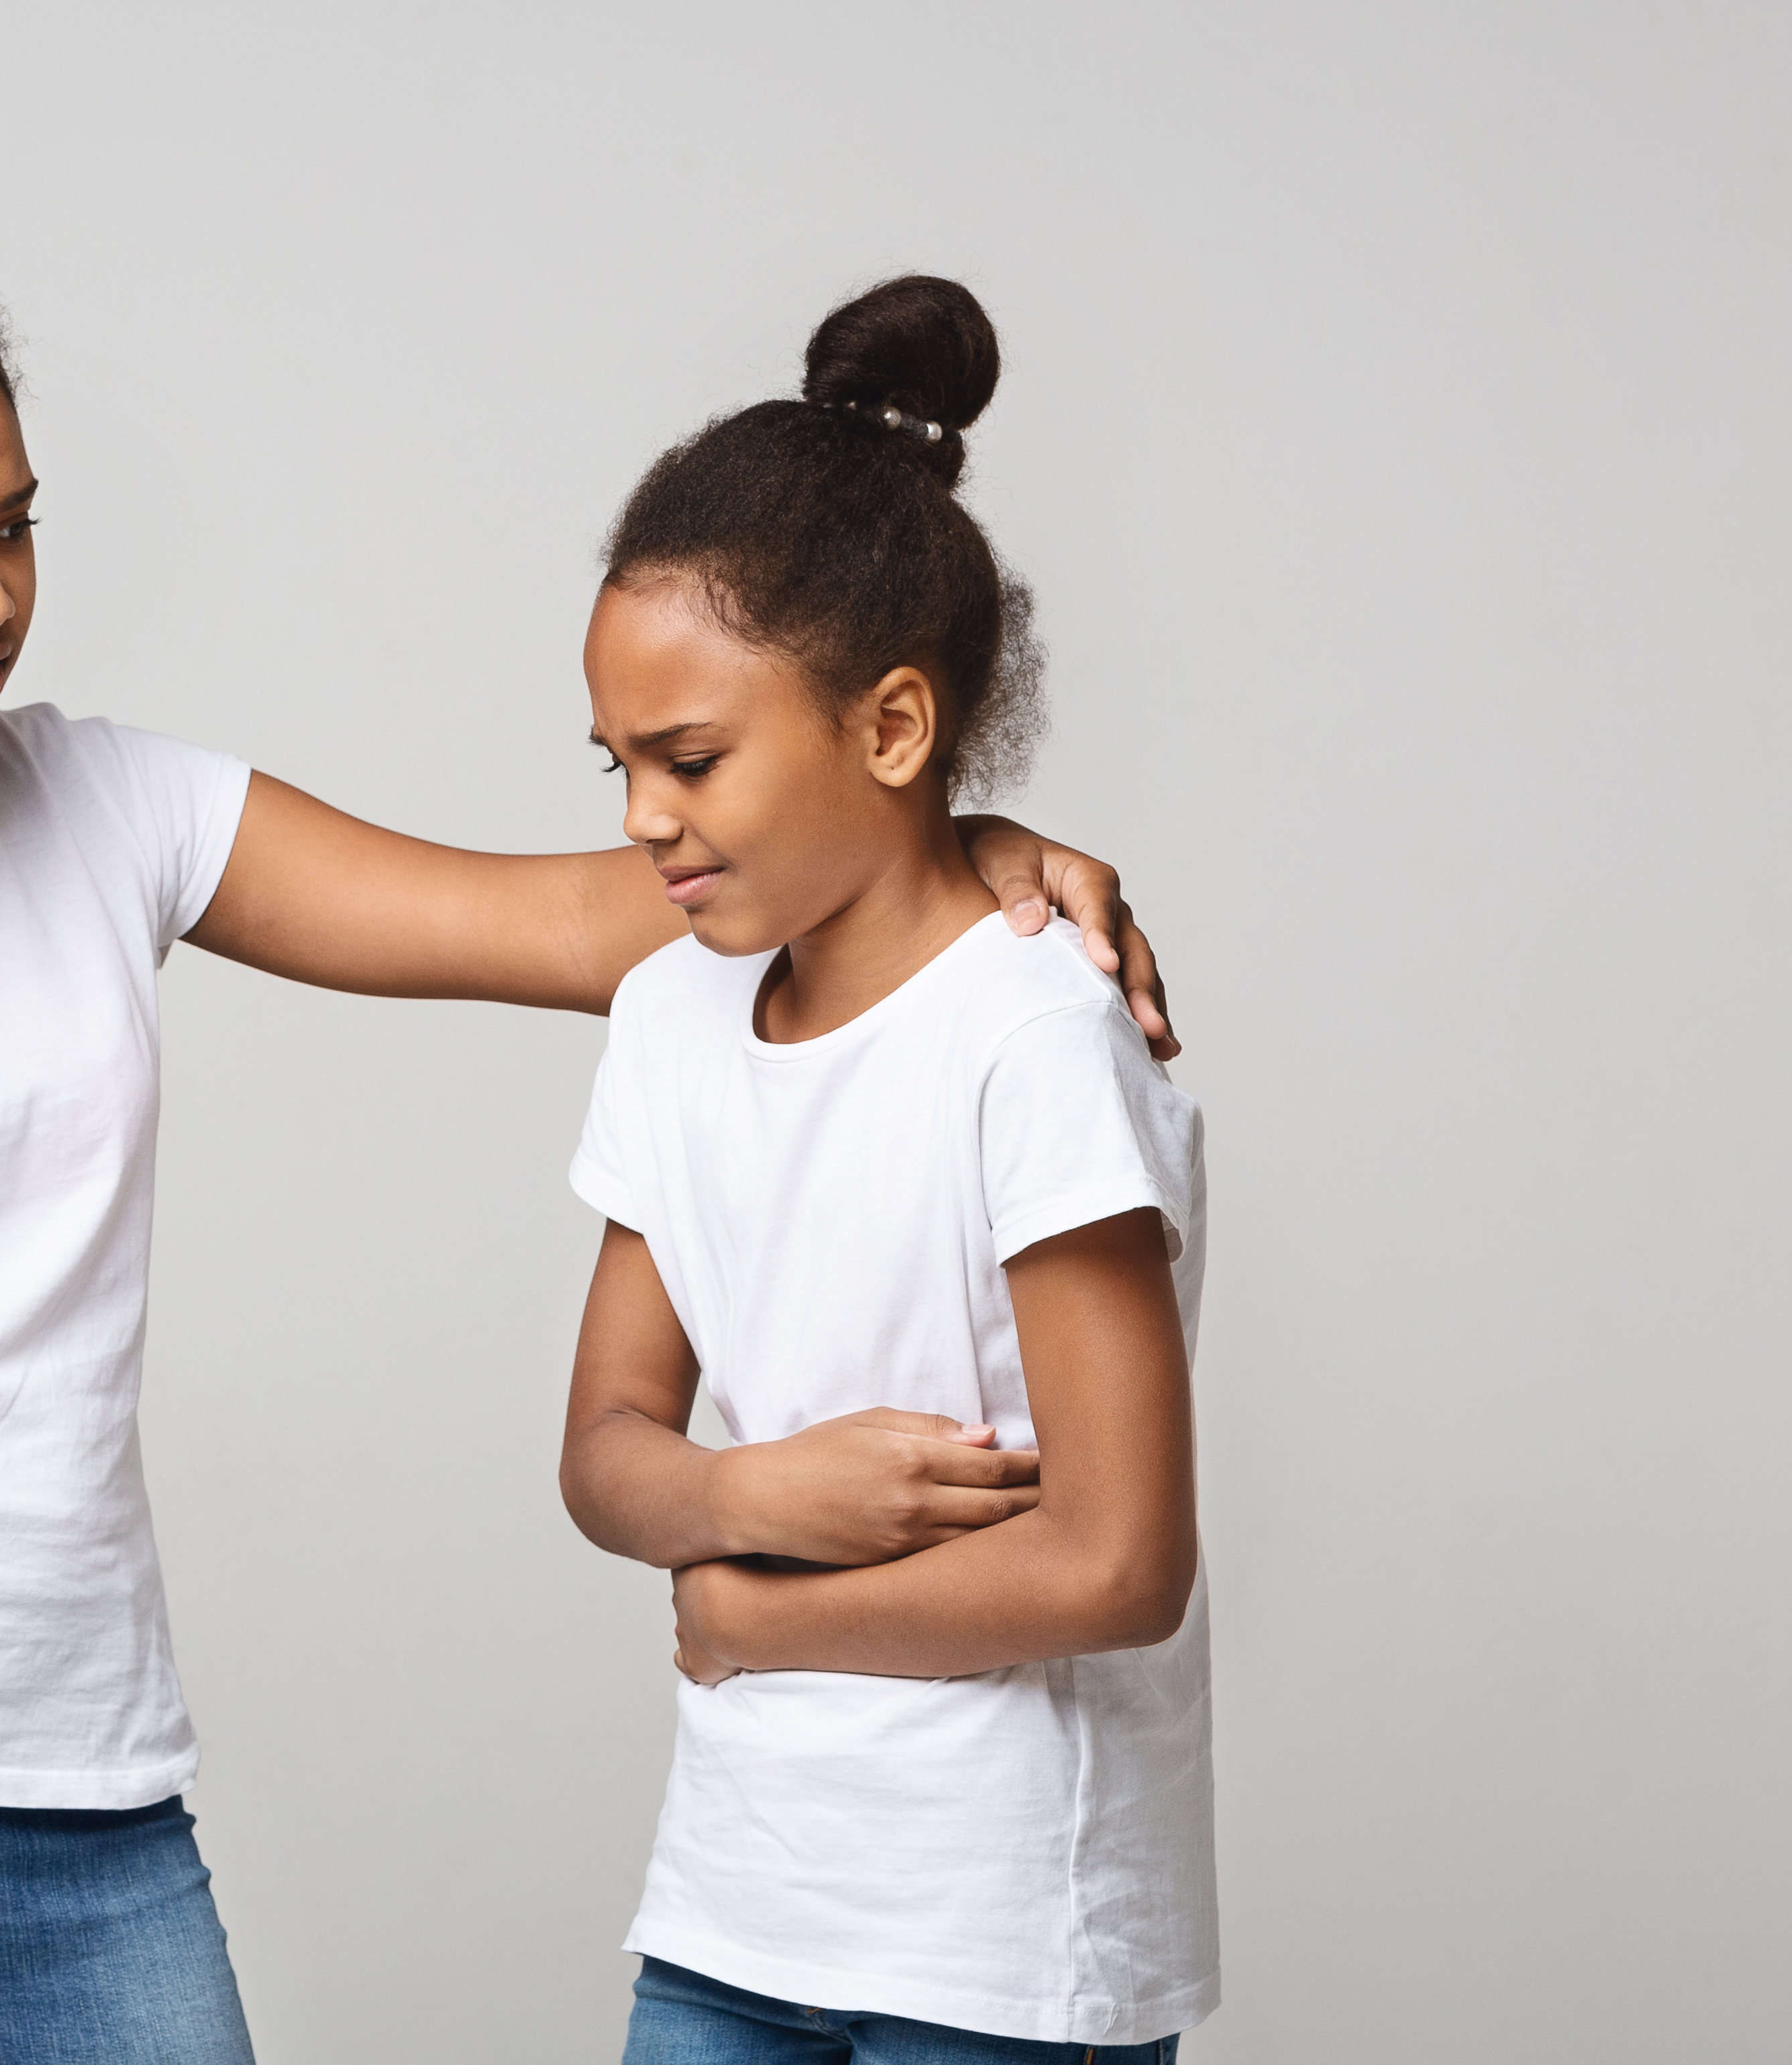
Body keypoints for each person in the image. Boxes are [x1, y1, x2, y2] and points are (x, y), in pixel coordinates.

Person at [0, 236, 1173, 2064]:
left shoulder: (99, 803)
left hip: (77, 1798)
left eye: (13, 527)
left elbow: (568, 925)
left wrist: (947, 852)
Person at [559, 275, 1214, 2064]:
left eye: (686, 758)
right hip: (726, 1914)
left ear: (894, 730)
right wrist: (746, 1497)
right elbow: (606, 1448)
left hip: (1000, 1950)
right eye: (614, 761)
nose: (635, 815)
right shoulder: (665, 1018)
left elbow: (1114, 1560)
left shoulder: (1030, 1035)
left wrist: (756, 1606)